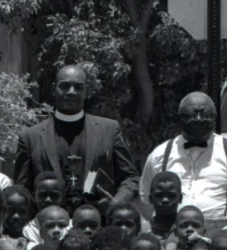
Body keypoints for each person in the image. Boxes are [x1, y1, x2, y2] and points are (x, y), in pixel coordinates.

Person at [16, 64, 138, 207]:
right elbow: (21, 189)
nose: (71, 92)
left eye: (78, 87)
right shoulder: (30, 137)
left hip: (96, 223)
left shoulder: (109, 130)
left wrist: (116, 203)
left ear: (87, 91)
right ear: (53, 89)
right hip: (49, 224)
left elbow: (131, 178)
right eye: (65, 86)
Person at [139, 92, 227, 230]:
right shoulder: (159, 155)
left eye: (205, 115)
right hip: (174, 231)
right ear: (179, 119)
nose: (198, 119)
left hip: (223, 233)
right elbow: (145, 198)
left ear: (215, 118)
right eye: (191, 115)